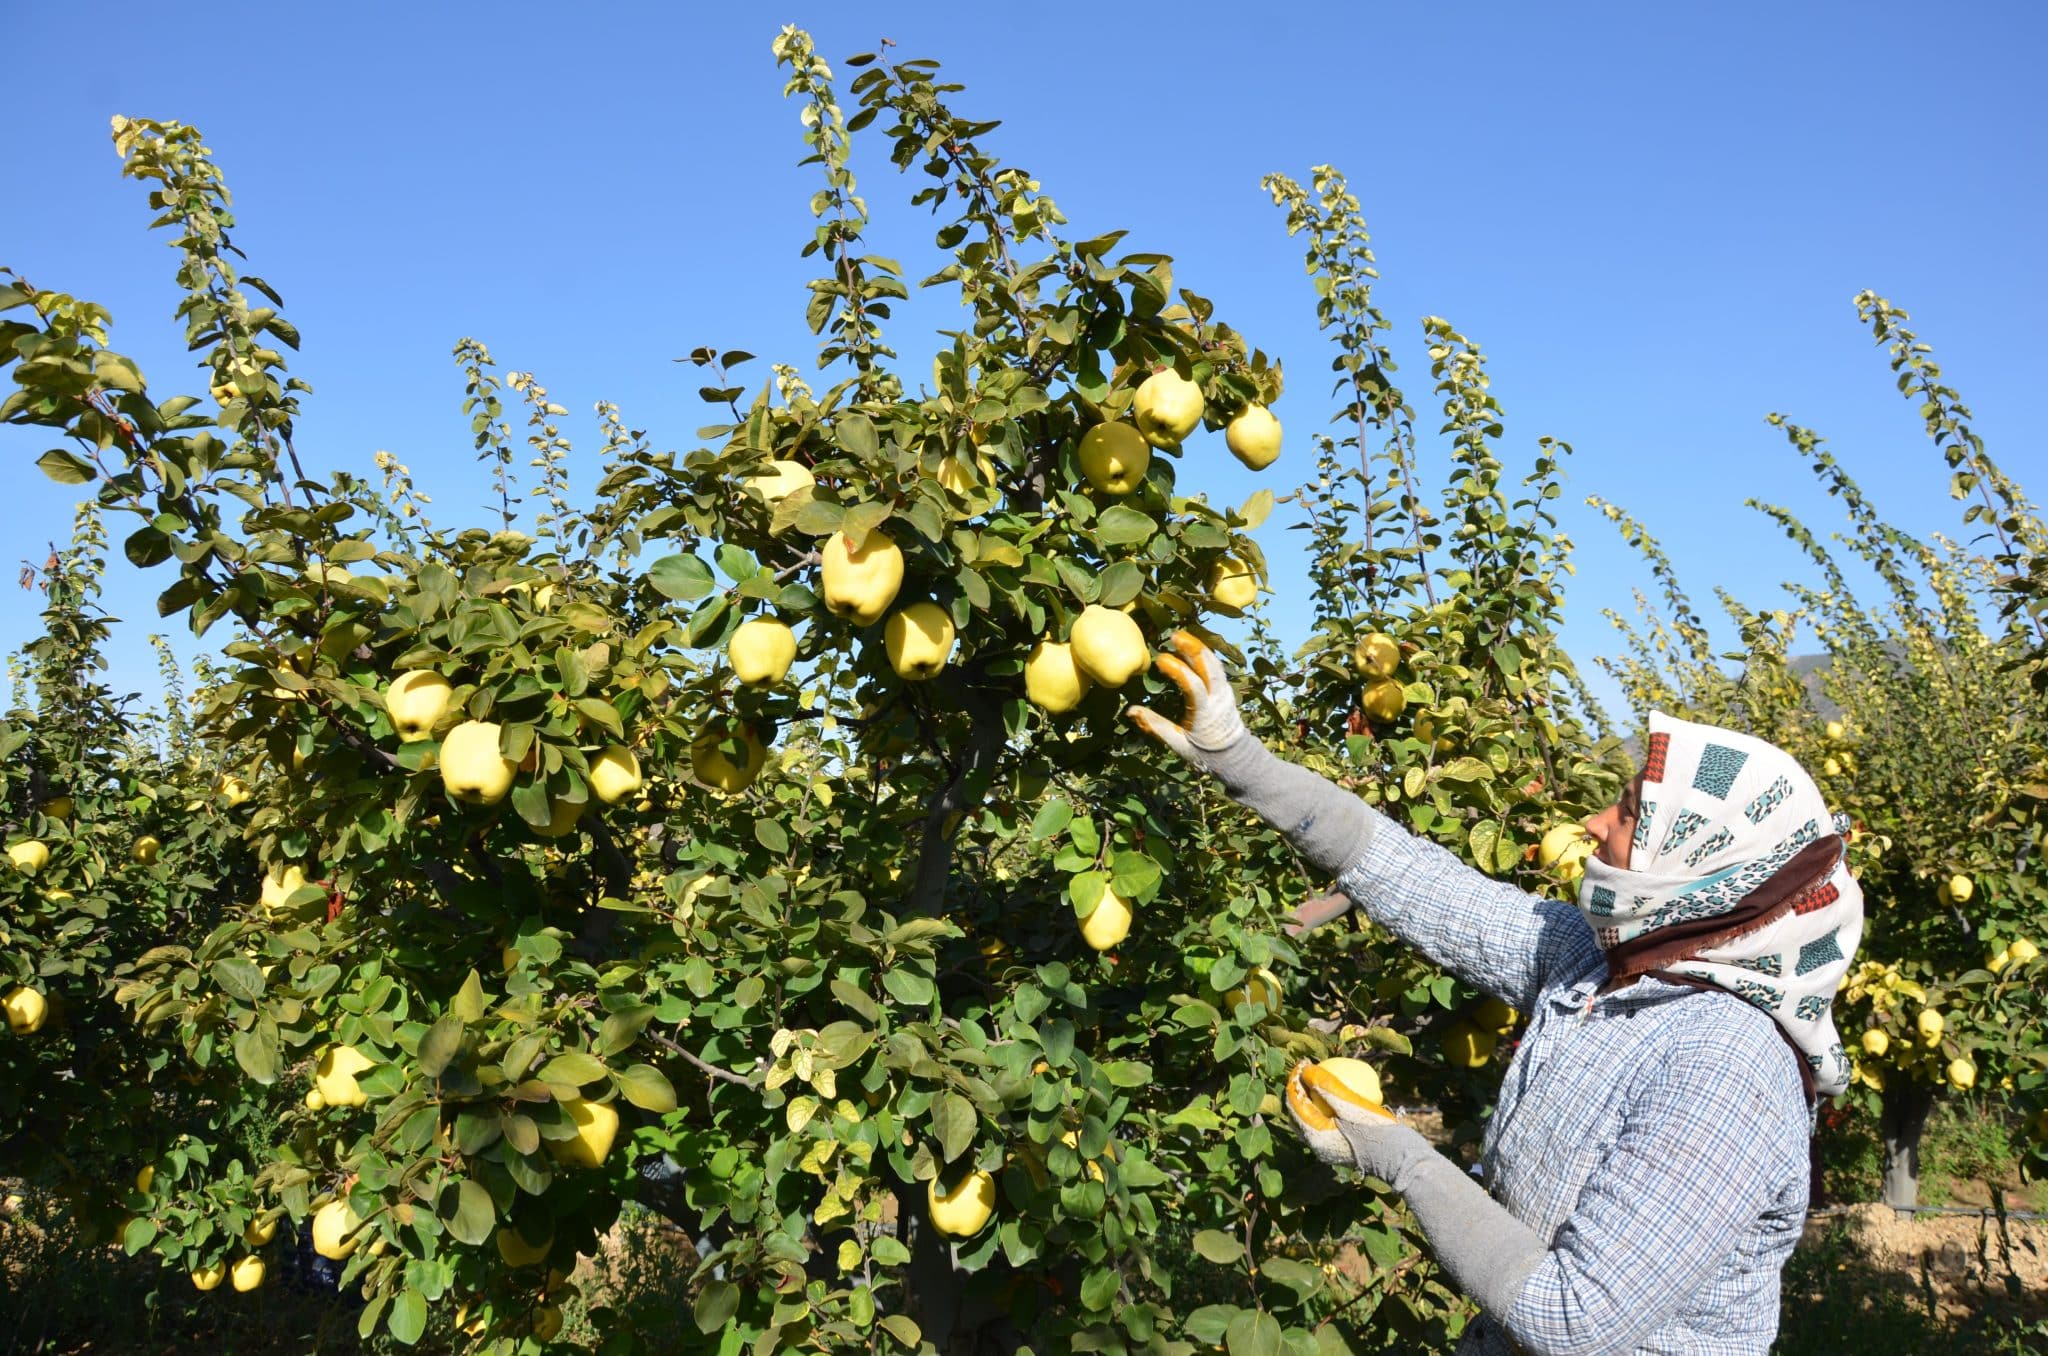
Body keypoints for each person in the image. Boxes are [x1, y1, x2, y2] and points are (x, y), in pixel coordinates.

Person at [1129, 633, 1862, 1356]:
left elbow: (1577, 1319)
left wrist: (1401, 1159)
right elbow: (1419, 882)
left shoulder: (1727, 1069)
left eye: (1631, 812)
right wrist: (1242, 760)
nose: (1593, 824)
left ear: (1700, 864)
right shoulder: (1605, 963)